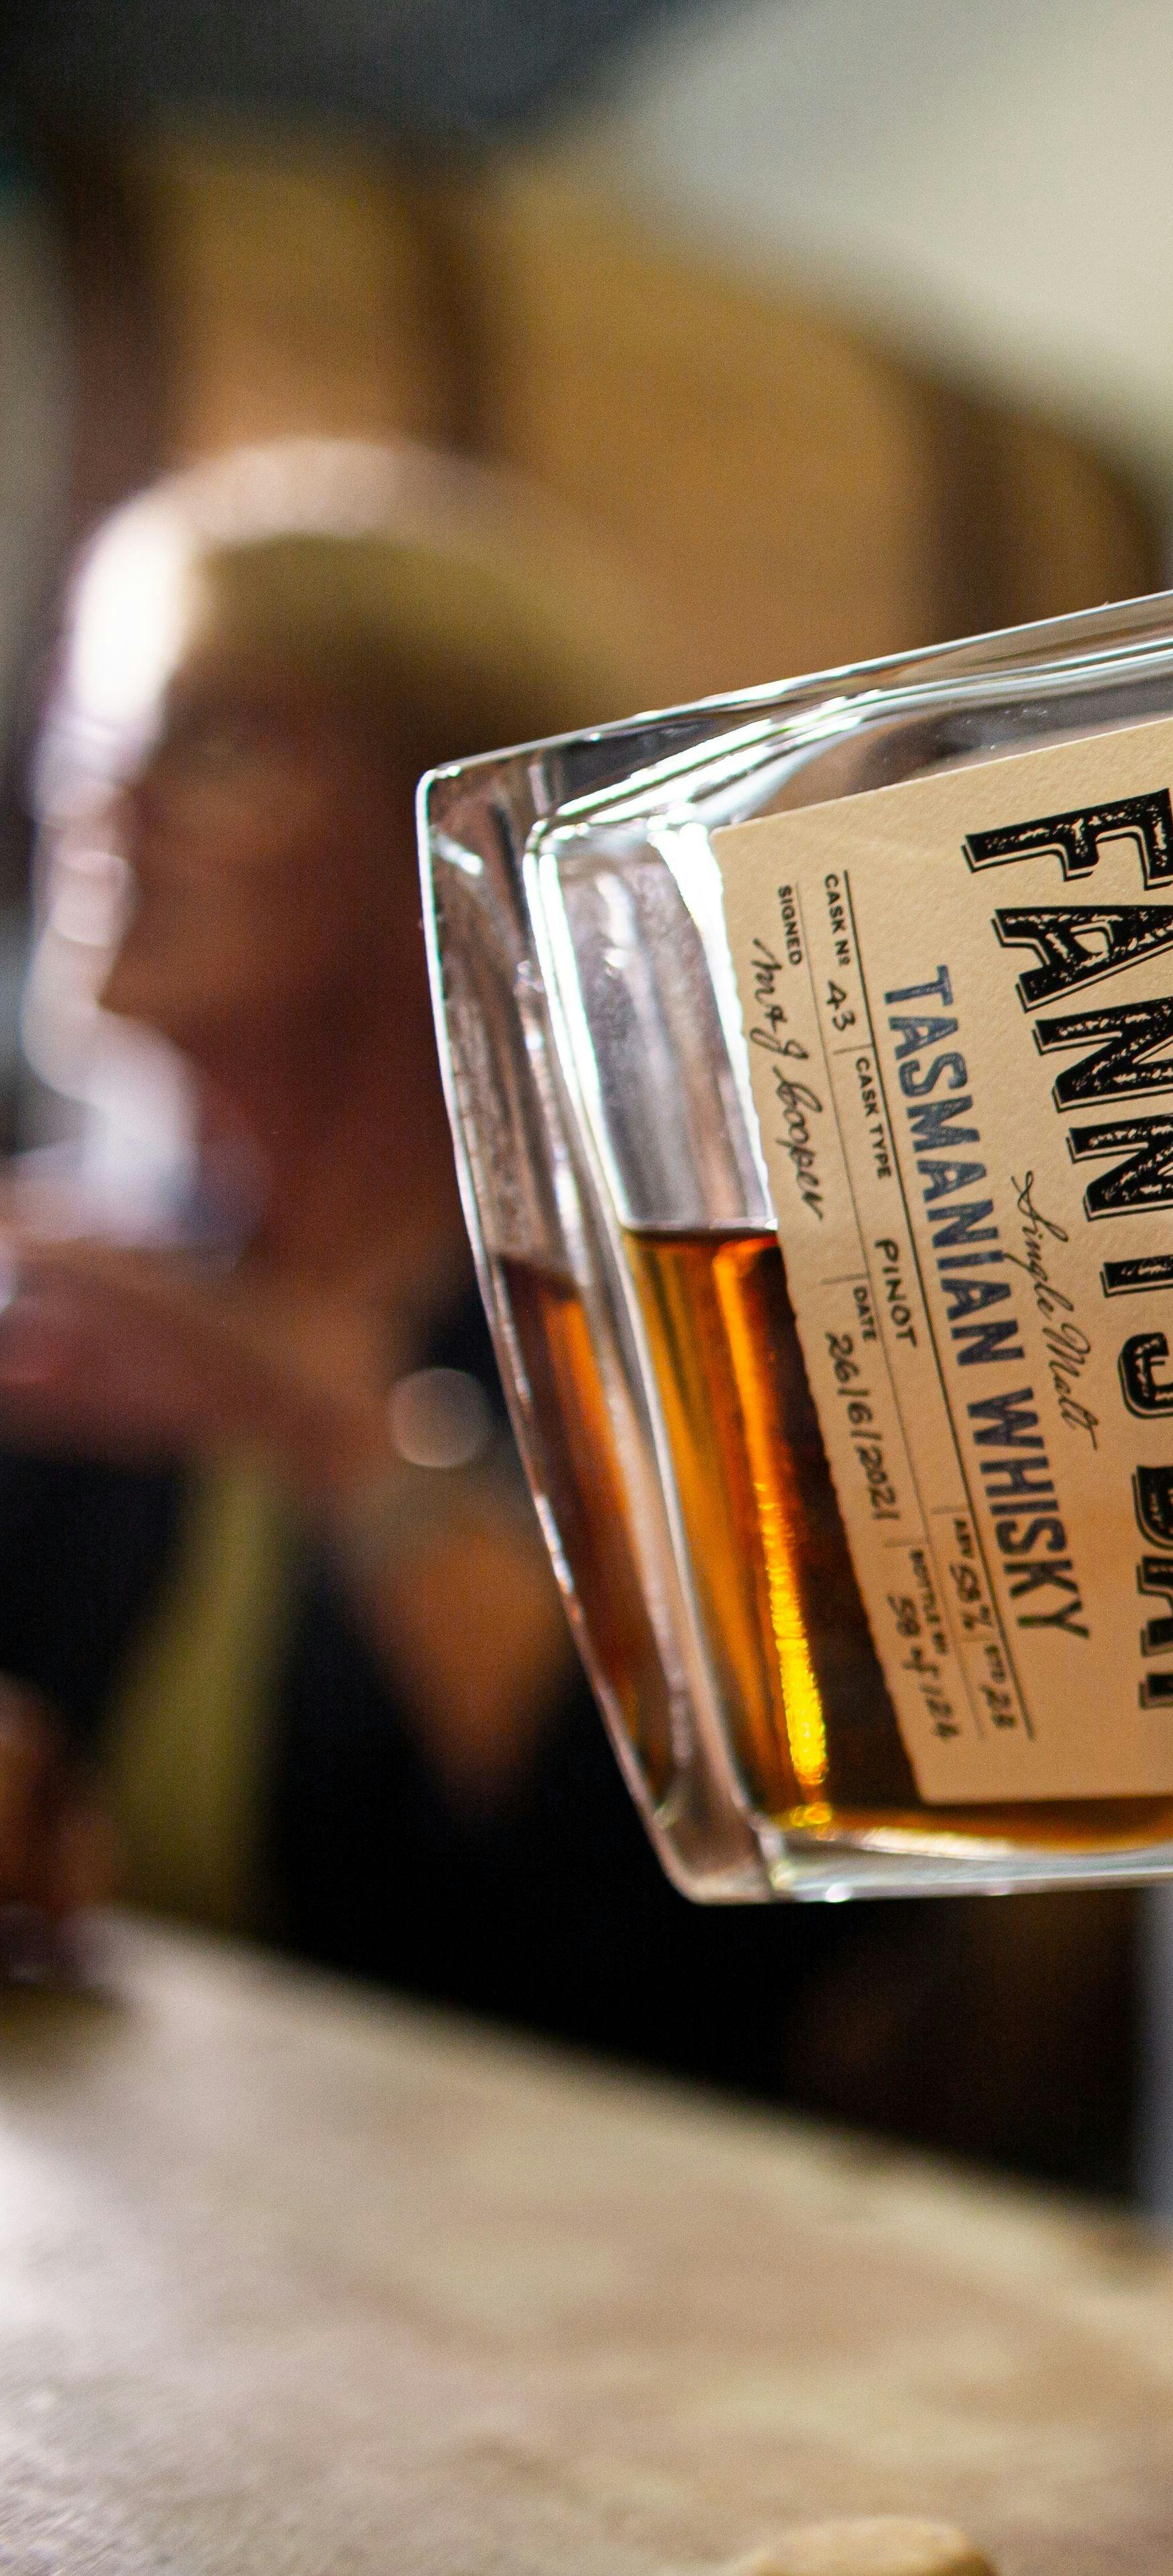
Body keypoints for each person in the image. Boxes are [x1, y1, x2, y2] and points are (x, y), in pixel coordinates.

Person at [0, 444, 859, 2094]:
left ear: (463, 847)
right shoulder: (77, 1298)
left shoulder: (697, 1305)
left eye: (220, 739)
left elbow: (711, 1943)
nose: (104, 806)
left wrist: (337, 1437)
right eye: (91, 735)